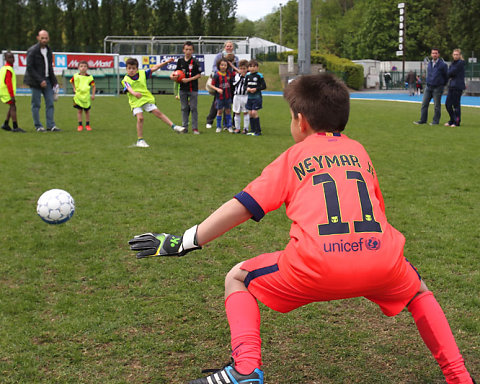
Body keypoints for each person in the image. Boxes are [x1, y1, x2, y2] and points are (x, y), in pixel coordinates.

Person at [129, 73, 475, 384]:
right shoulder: (359, 151)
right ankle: (459, 376)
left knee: (238, 277)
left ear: (300, 121)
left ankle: (246, 370)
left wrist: (185, 241)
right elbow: (378, 210)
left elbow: (243, 206)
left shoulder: (295, 156)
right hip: (381, 260)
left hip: (316, 266)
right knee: (418, 292)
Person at [121, 57, 186, 148]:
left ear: (137, 68)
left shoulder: (143, 73)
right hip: (135, 102)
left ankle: (174, 127)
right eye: (129, 68)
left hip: (146, 99)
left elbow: (155, 68)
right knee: (140, 118)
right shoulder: (125, 80)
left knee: (158, 113)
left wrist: (166, 62)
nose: (131, 70)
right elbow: (129, 88)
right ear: (126, 69)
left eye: (133, 68)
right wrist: (134, 93)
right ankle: (140, 140)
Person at [24, 30, 60, 132]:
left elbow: (50, 67)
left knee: (50, 103)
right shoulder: (32, 50)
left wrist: (55, 82)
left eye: (46, 38)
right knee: (36, 104)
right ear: (38, 38)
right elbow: (30, 68)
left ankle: (50, 125)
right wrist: (40, 80)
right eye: (42, 38)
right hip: (36, 82)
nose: (44, 40)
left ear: (48, 38)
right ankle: (38, 126)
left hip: (47, 80)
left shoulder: (49, 50)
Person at [170, 41, 202, 134]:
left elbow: (199, 75)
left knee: (193, 108)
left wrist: (189, 79)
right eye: (186, 49)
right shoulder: (180, 61)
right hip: (183, 89)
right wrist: (172, 76)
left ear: (193, 51)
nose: (188, 51)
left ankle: (195, 128)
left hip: (193, 89)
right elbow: (176, 72)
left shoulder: (195, 62)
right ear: (183, 50)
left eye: (190, 49)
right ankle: (184, 127)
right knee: (184, 108)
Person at [206, 41, 238, 129]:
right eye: (227, 46)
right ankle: (209, 120)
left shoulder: (236, 57)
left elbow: (237, 69)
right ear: (224, 47)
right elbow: (214, 67)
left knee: (229, 102)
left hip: (231, 82)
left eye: (230, 46)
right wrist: (222, 73)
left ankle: (226, 124)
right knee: (216, 102)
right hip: (220, 81)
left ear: (233, 48)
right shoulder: (219, 56)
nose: (229, 48)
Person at [414, 48, 448, 126]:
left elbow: (446, 76)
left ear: (438, 54)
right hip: (428, 87)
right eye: (433, 53)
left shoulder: (443, 65)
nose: (434, 55)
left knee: (437, 106)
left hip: (438, 87)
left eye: (436, 53)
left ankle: (435, 121)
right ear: (431, 54)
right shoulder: (429, 64)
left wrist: (442, 84)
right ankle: (423, 120)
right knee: (424, 104)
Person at [0, 52, 25, 133]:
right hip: (6, 91)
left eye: (13, 57)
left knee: (11, 106)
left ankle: (6, 124)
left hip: (3, 91)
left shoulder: (4, 68)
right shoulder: (8, 69)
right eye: (10, 57)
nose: (12, 59)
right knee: (13, 107)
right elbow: (8, 83)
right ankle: (15, 126)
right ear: (6, 59)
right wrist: (12, 95)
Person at [70, 60, 95, 132]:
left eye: (85, 66)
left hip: (86, 97)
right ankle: (80, 125)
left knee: (87, 111)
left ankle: (87, 125)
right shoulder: (76, 76)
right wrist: (74, 88)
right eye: (81, 66)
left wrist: (93, 95)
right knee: (79, 111)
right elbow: (72, 81)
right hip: (78, 97)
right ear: (78, 68)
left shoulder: (90, 77)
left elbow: (93, 86)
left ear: (87, 68)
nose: (83, 68)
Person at [210, 57, 233, 133]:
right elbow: (211, 85)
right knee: (219, 111)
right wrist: (217, 89)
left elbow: (238, 72)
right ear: (219, 66)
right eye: (222, 65)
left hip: (228, 96)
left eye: (225, 65)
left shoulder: (229, 74)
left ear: (227, 66)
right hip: (219, 97)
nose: (223, 66)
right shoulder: (216, 75)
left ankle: (229, 126)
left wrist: (231, 65)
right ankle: (218, 126)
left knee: (228, 111)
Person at [445, 49, 466, 127]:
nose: (455, 56)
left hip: (457, 86)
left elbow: (451, 72)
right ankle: (452, 119)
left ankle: (456, 122)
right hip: (452, 85)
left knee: (456, 105)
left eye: (457, 54)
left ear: (460, 55)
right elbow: (449, 73)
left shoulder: (460, 63)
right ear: (452, 55)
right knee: (448, 104)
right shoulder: (453, 63)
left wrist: (449, 73)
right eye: (454, 54)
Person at [245, 60, 266, 136]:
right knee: (250, 113)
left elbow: (264, 86)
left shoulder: (259, 76)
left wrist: (256, 89)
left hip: (257, 97)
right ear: (248, 68)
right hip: (249, 97)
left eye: (254, 66)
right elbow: (245, 85)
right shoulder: (247, 75)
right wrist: (247, 89)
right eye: (250, 66)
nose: (252, 68)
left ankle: (258, 131)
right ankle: (252, 130)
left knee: (254, 112)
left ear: (257, 67)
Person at [231, 59, 250, 134]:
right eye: (241, 68)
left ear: (247, 69)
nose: (242, 70)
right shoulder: (237, 76)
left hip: (245, 96)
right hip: (237, 96)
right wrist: (241, 77)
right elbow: (234, 84)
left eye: (244, 68)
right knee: (236, 112)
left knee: (245, 112)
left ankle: (245, 128)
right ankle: (237, 128)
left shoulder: (249, 76)